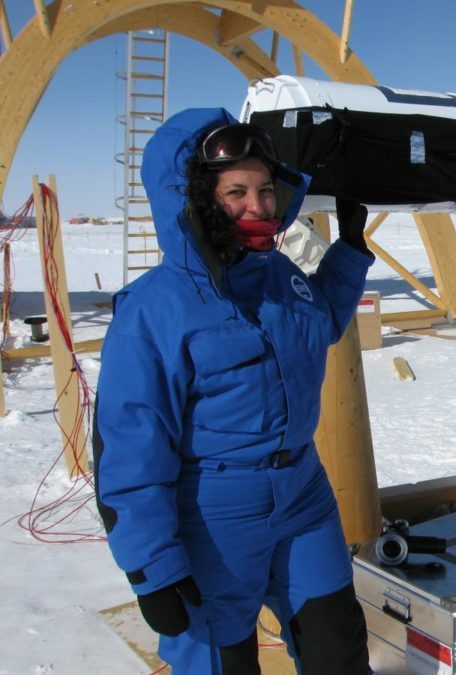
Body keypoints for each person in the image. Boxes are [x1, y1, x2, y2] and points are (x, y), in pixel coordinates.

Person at [93, 108, 376, 674]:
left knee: (337, 647)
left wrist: (346, 250)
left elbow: (317, 325)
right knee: (223, 662)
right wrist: (152, 568)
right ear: (197, 199)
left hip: (304, 495)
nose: (259, 206)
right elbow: (130, 447)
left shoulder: (281, 276)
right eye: (237, 192)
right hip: (213, 513)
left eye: (267, 189)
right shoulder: (154, 310)